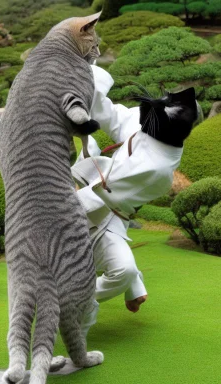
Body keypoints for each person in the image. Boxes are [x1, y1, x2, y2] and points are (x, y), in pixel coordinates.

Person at [72, 64, 198, 336]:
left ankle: (73, 301)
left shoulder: (158, 171)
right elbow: (110, 114)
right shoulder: (148, 128)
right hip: (87, 193)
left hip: (108, 216)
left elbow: (110, 193)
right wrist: (89, 74)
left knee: (124, 271)